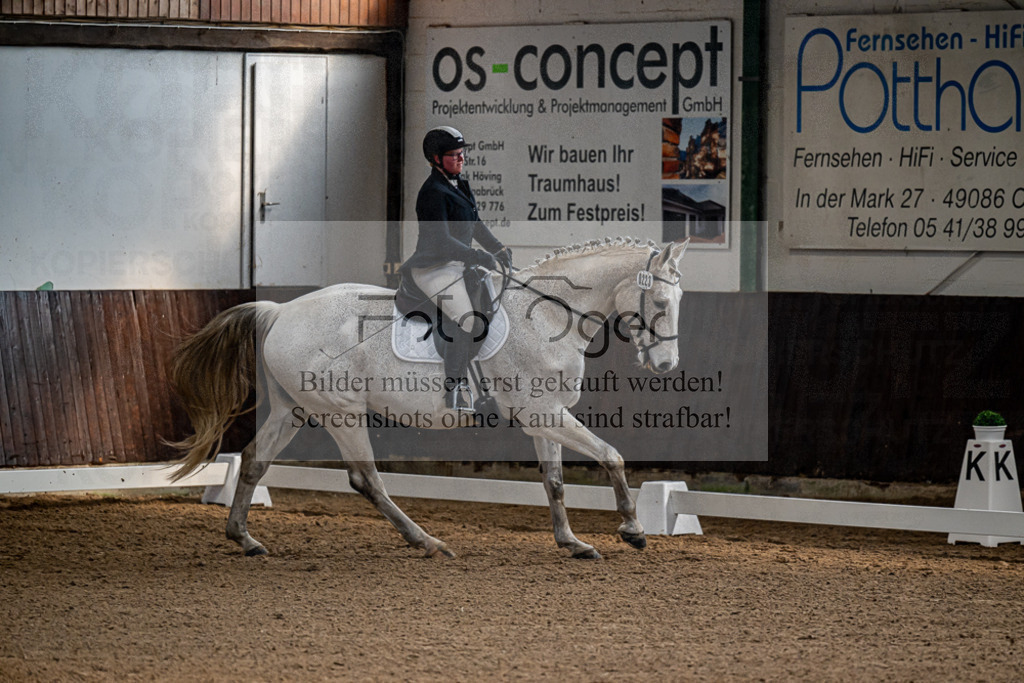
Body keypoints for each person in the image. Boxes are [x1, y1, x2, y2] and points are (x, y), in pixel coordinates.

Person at [399, 126, 512, 412]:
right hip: (433, 267)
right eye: (453, 155)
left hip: (458, 263)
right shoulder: (431, 193)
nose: (461, 159)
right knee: (467, 319)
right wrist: (476, 255)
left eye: (462, 153)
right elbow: (441, 240)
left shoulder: (460, 184)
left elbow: (475, 223)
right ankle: (456, 390)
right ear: (436, 159)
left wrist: (497, 248)